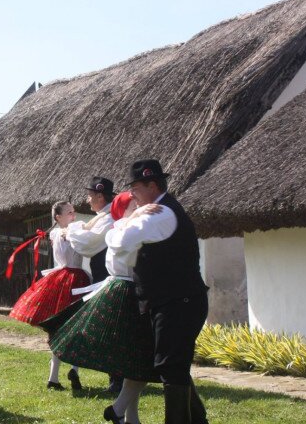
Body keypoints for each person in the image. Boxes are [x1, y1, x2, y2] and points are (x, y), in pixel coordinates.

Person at [45, 192, 157, 424]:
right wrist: (134, 214)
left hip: (131, 291)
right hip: (125, 293)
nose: (138, 206)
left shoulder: (129, 225)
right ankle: (119, 410)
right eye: (132, 204)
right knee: (137, 357)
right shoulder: (119, 229)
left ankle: (129, 416)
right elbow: (115, 236)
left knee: (135, 359)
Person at [120, 160, 209, 424]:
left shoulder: (160, 213)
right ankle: (199, 420)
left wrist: (130, 219)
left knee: (171, 366)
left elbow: (119, 242)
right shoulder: (154, 211)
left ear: (151, 185)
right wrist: (132, 217)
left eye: (135, 187)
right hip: (169, 300)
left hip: (179, 301)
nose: (131, 194)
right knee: (171, 364)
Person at [9, 201, 90, 391]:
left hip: (61, 279)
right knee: (72, 326)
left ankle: (58, 376)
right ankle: (70, 372)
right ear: (58, 217)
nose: (73, 215)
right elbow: (80, 231)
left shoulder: (60, 232)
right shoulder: (64, 232)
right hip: (73, 280)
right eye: (69, 212)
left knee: (66, 326)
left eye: (73, 212)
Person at [65, 176, 122, 394]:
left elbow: (87, 245)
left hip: (110, 279)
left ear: (100, 195)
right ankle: (115, 379)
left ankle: (118, 380)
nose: (87, 200)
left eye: (90, 196)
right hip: (103, 277)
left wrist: (72, 229)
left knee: (112, 329)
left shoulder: (109, 219)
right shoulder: (101, 217)